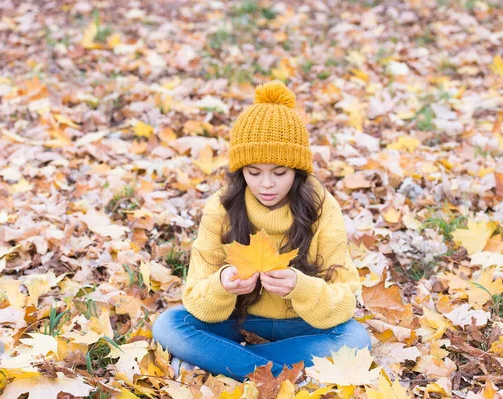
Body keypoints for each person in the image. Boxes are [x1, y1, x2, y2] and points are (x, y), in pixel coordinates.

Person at [152, 80, 372, 382]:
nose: (266, 184)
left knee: (356, 339)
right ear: (240, 171)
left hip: (302, 324)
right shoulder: (221, 207)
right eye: (253, 172)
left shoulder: (323, 206)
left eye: (279, 173)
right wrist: (222, 285)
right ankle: (283, 374)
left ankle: (222, 360)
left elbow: (345, 300)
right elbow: (195, 299)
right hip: (239, 321)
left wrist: (300, 286)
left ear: (297, 171)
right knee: (168, 325)